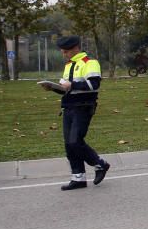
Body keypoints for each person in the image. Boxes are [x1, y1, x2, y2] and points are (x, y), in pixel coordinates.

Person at [41, 35, 110, 191]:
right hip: (68, 107)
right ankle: (78, 177)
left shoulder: (90, 63)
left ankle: (100, 164)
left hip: (84, 106)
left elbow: (94, 84)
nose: (63, 54)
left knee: (75, 141)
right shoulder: (68, 65)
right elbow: (67, 90)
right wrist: (53, 88)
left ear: (75, 48)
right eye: (62, 51)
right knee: (69, 145)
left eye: (66, 51)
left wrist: (71, 85)